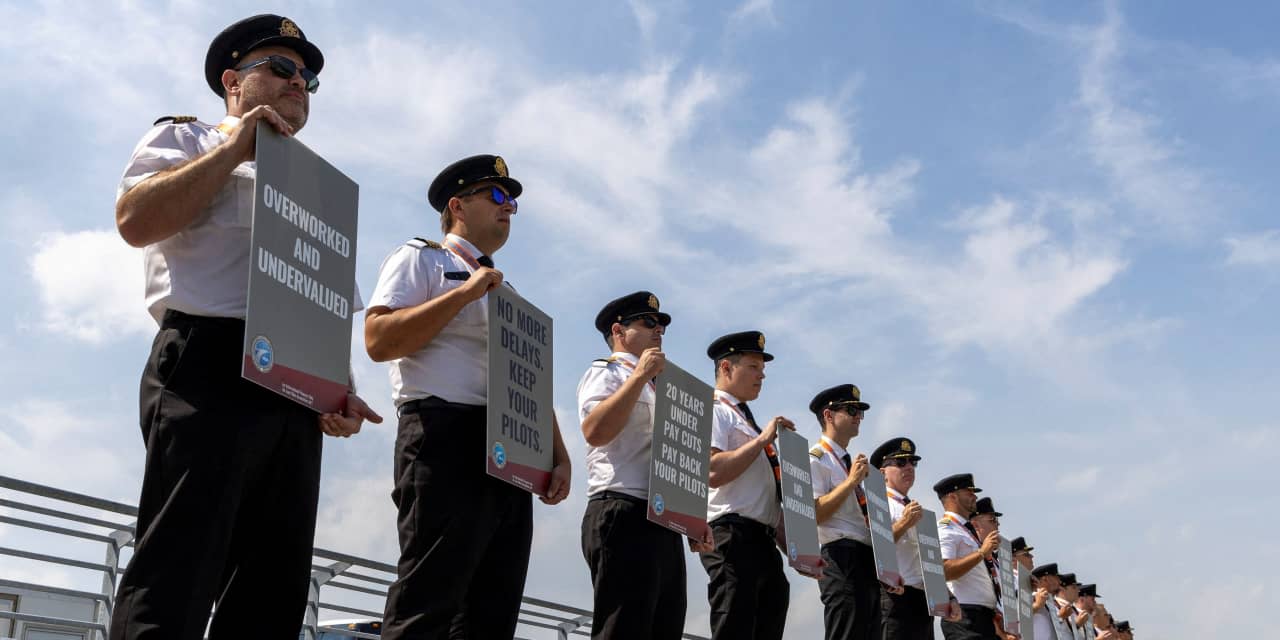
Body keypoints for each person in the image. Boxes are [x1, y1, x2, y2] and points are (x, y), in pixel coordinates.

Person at [109, 14, 382, 639]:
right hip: (209, 366)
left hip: (292, 392)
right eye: (281, 68)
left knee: (272, 589)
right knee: (178, 569)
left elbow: (323, 302)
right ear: (233, 81)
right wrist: (236, 148)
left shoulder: (316, 187)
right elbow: (135, 219)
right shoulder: (189, 138)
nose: (299, 83)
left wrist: (336, 388)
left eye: (309, 77)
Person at [366, 154, 572, 639]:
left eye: (513, 201)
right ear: (458, 205)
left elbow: (530, 384)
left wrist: (558, 456)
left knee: (492, 611)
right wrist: (465, 293)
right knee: (429, 598)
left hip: (510, 449)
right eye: (497, 196)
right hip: (444, 435)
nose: (509, 208)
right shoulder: (422, 258)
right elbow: (378, 339)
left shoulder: (511, 293)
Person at [576, 291, 707, 639]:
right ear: (618, 331)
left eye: (661, 323)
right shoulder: (606, 373)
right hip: (622, 509)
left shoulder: (661, 387)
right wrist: (637, 377)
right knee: (623, 628)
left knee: (665, 627)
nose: (658, 329)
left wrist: (690, 517)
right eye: (648, 322)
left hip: (661, 519)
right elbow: (595, 430)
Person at [700, 331, 793, 640]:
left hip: (762, 539)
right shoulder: (714, 410)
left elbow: (763, 498)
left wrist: (798, 551)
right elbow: (713, 471)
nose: (761, 374)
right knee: (735, 628)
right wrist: (765, 440)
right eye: (754, 366)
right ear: (726, 367)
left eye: (761, 368)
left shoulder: (746, 421)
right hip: (731, 535)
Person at [805, 384, 878, 640]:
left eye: (860, 412)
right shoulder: (816, 459)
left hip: (866, 557)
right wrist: (850, 482)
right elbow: (813, 513)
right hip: (840, 556)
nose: (858, 417)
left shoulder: (850, 464)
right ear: (828, 415)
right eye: (851, 410)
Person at [871, 436, 958, 639]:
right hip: (894, 597)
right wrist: (904, 523)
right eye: (900, 462)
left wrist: (949, 596)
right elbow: (874, 545)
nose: (909, 467)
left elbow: (926, 562)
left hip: (922, 600)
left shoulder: (914, 509)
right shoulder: (877, 502)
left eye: (913, 462)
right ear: (882, 472)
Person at [934, 474, 1001, 640]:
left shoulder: (965, 530)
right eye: (969, 492)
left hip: (983, 617)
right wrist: (981, 553)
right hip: (964, 617)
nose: (974, 496)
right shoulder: (946, 529)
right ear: (953, 496)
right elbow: (944, 570)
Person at [1030, 563, 1063, 640]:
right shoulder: (1032, 596)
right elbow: (1017, 616)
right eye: (1056, 577)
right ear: (1045, 579)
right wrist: (1037, 605)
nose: (1059, 581)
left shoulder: (1051, 601)